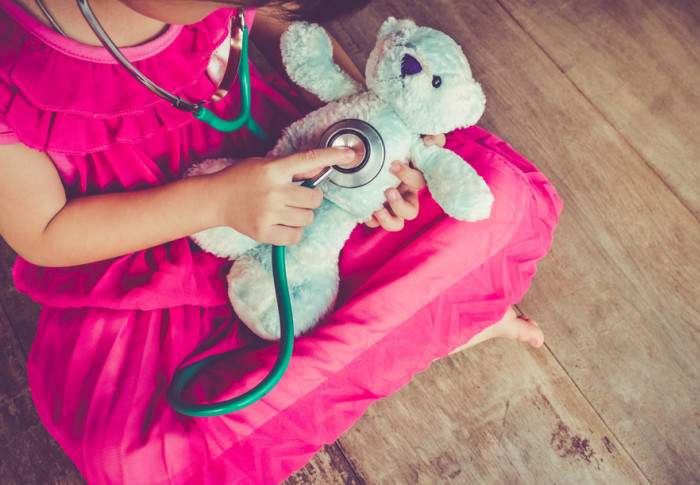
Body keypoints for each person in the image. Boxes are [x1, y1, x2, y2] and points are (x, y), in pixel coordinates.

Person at [0, 0, 562, 483]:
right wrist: (218, 203)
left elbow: (283, 28)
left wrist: (383, 138)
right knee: (135, 458)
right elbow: (44, 233)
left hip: (294, 174)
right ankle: (436, 324)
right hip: (144, 256)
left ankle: (436, 322)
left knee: (497, 203)